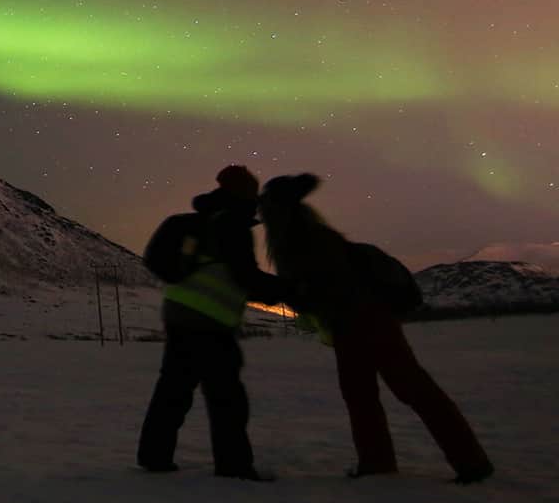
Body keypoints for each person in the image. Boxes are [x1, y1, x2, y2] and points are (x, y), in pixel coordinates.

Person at [258, 173, 494, 484]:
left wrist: (292, 293)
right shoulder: (311, 236)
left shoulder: (304, 240)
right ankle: (383, 465)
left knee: (407, 391)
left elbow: (327, 287)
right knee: (372, 395)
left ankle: (467, 463)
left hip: (362, 323)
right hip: (357, 324)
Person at [136, 165, 284, 480]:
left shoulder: (185, 223)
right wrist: (286, 290)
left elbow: (155, 259)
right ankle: (234, 466)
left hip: (179, 317)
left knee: (173, 390)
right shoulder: (232, 225)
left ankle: (154, 457)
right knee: (227, 397)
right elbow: (245, 276)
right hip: (212, 323)